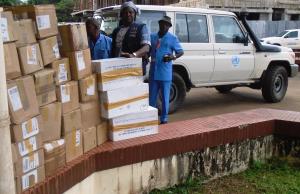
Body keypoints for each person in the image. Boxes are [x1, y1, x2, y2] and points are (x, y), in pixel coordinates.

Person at [149, 16, 184, 124]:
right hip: (153, 71)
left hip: (165, 72)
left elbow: (180, 51)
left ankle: (164, 119)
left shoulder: (172, 38)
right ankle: (151, 118)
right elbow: (148, 49)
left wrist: (172, 57)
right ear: (159, 24)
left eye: (166, 25)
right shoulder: (152, 37)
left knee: (165, 97)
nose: (164, 26)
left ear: (169, 27)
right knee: (152, 97)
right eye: (162, 23)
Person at [111, 1, 151, 75]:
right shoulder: (116, 30)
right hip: (117, 66)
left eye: (130, 12)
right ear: (121, 15)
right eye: (125, 13)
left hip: (135, 67)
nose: (128, 14)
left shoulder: (141, 27)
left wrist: (134, 55)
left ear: (135, 14)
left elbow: (146, 48)